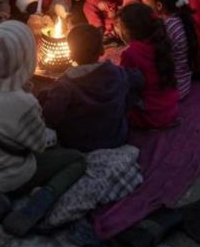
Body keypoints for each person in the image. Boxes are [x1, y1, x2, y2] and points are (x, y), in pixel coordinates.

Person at [0, 21, 86, 236]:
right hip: (13, 176)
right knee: (77, 159)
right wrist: (51, 131)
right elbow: (39, 145)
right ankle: (41, 202)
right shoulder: (23, 102)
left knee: (1, 154)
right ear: (26, 56)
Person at [40, 24, 142, 152]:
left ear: (71, 54)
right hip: (115, 138)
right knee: (127, 88)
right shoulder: (118, 73)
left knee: (44, 95)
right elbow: (138, 79)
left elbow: (51, 116)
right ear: (102, 50)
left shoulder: (65, 85)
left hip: (78, 143)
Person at [117, 3, 179, 130]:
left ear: (128, 30)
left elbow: (125, 85)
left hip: (150, 116)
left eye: (120, 27)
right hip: (171, 109)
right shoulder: (162, 41)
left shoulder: (131, 53)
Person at [143, 0, 196, 100]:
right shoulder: (181, 16)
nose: (143, 2)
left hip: (173, 89)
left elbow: (154, 58)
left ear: (159, 5)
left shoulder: (167, 27)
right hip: (184, 83)